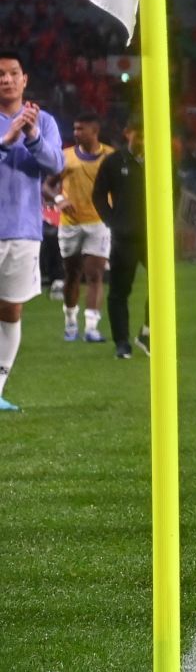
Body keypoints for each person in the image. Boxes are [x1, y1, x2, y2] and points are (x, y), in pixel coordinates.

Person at [0, 52, 62, 409]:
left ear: (24, 80)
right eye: (1, 75)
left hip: (23, 230)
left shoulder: (45, 121)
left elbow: (55, 163)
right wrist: (7, 139)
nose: (6, 80)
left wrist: (32, 133)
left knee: (10, 311)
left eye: (12, 74)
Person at [93, 120, 151, 358]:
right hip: (124, 237)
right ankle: (122, 343)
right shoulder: (114, 162)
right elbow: (98, 195)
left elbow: (175, 189)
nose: (144, 141)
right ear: (128, 133)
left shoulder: (161, 158)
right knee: (119, 291)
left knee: (163, 288)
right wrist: (112, 221)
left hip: (154, 238)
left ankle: (147, 333)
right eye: (140, 136)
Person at [57, 112, 113, 344]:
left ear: (94, 130)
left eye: (81, 129)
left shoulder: (110, 156)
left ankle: (91, 327)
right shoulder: (64, 157)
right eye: (75, 128)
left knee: (95, 274)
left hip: (99, 223)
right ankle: (70, 322)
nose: (76, 133)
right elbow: (47, 185)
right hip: (70, 224)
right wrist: (60, 200)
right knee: (72, 275)